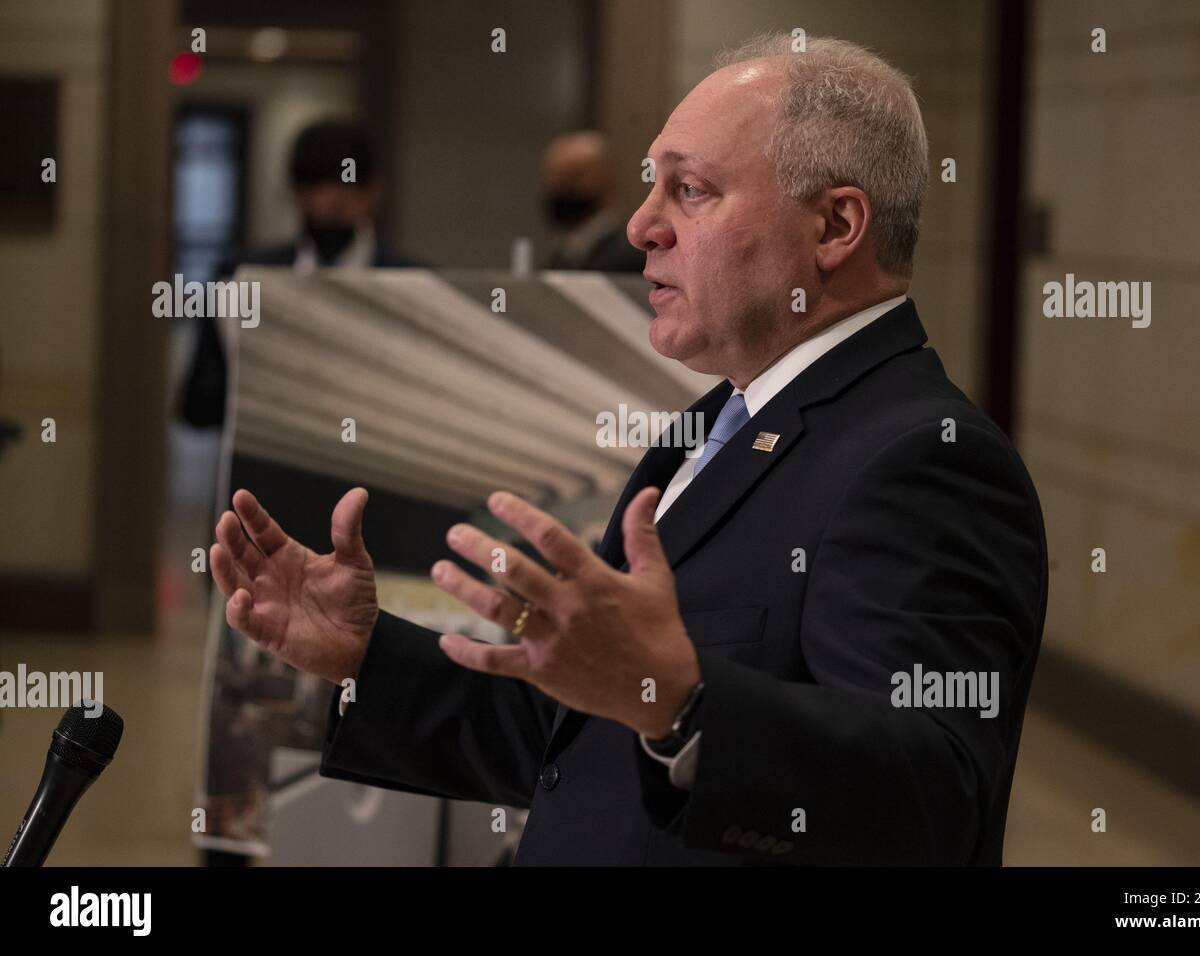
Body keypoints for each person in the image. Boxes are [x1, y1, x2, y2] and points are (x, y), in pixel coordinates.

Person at [210, 33, 1047, 865]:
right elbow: (572, 741)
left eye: (689, 190)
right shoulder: (714, 427)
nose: (643, 226)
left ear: (835, 225)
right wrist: (366, 651)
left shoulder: (924, 460)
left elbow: (936, 800)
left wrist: (684, 706)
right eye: (652, 187)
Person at [179, 119, 423, 428]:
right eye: (317, 185)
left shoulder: (416, 283)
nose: (331, 201)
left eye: (346, 185)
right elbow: (199, 405)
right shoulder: (241, 276)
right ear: (296, 192)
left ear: (374, 190)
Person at [541, 130, 644, 273]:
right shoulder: (560, 257)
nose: (562, 188)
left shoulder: (631, 255)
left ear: (607, 180)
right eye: (555, 180)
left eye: (573, 177)